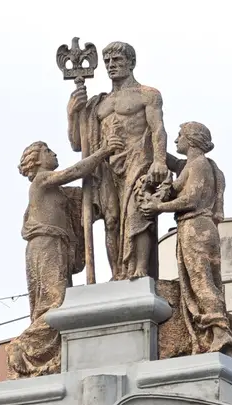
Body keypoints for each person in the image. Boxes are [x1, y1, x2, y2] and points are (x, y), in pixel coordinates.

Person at [7, 136, 124, 378]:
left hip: (56, 244)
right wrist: (103, 152)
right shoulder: (41, 181)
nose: (53, 154)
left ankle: (47, 350)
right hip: (46, 244)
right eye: (47, 151)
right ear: (36, 161)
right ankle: (24, 347)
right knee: (55, 302)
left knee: (58, 300)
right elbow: (74, 172)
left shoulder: (58, 191)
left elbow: (86, 199)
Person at [140, 122, 232, 363]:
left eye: (179, 135)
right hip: (201, 227)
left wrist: (159, 207)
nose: (176, 140)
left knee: (201, 282)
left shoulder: (198, 165)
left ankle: (220, 333)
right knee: (203, 281)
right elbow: (171, 164)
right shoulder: (198, 165)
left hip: (195, 226)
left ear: (192, 139)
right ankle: (216, 331)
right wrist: (152, 142)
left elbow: (191, 199)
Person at [67, 41, 169, 280]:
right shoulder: (98, 104)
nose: (111, 65)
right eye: (108, 62)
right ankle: (118, 273)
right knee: (111, 220)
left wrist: (160, 160)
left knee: (137, 212)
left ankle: (139, 269)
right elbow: (78, 144)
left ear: (131, 63)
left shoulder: (147, 95)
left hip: (138, 160)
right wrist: (72, 113)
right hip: (106, 167)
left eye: (117, 60)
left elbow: (158, 129)